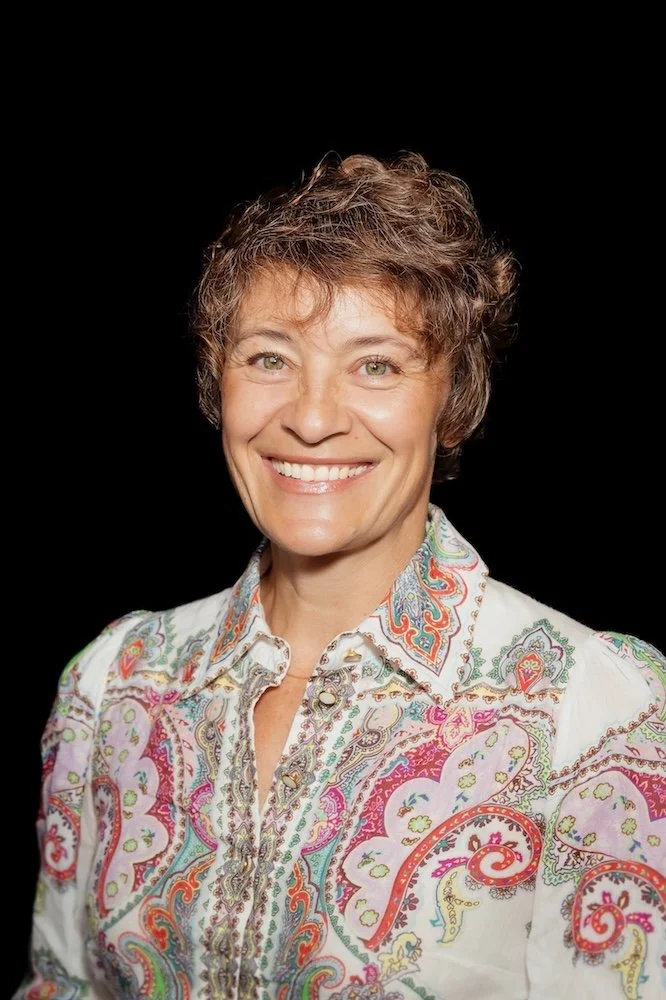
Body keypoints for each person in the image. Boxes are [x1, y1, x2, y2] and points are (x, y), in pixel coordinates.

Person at [16, 152, 665, 1000]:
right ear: (219, 382)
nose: (312, 419)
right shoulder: (116, 682)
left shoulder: (595, 707)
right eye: (270, 359)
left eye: (377, 365)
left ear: (455, 399)